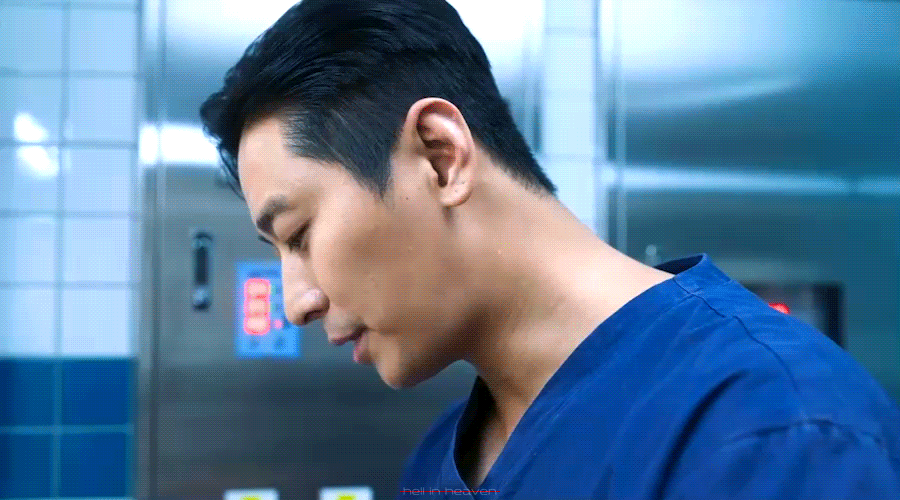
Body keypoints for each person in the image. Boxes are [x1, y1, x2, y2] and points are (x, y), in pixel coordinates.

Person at [199, 0, 900, 498]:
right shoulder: (439, 462)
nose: (297, 303)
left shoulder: (768, 431)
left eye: (300, 236)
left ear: (440, 157)